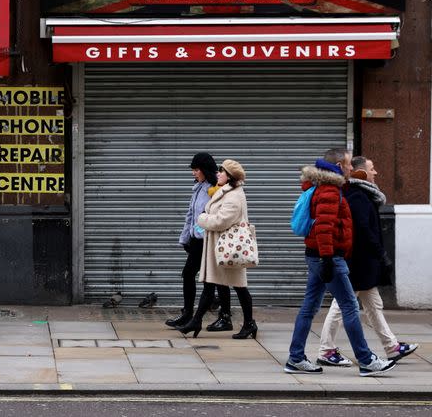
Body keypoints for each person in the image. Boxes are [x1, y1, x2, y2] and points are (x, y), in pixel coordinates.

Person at [284, 148, 397, 377]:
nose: (350, 168)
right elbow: (324, 228)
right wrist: (327, 259)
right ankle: (366, 360)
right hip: (328, 257)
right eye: (347, 164)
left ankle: (296, 358)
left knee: (309, 308)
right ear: (337, 166)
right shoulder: (329, 191)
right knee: (350, 307)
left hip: (319, 255)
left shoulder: (328, 188)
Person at [316, 156, 419, 366]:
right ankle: (326, 350)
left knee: (374, 304)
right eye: (372, 169)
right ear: (361, 173)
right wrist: (381, 253)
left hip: (364, 263)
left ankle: (391, 346)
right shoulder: (358, 196)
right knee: (341, 305)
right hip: (358, 262)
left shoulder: (359, 194)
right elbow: (363, 230)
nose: (376, 173)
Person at [178, 159, 257, 339]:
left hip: (230, 248)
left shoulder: (234, 195)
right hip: (219, 247)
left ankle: (249, 323)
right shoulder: (223, 192)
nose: (217, 174)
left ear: (230, 177)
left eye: (221, 172)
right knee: (210, 284)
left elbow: (221, 220)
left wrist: (202, 219)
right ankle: (196, 321)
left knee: (240, 288)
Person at [165, 153, 227, 328]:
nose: (193, 173)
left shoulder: (216, 188)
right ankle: (189, 314)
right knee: (193, 275)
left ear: (205, 169)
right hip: (197, 241)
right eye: (193, 169)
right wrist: (186, 237)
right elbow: (191, 216)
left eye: (196, 169)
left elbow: (214, 216)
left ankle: (222, 316)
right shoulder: (198, 188)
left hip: (209, 240)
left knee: (216, 278)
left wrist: (199, 232)